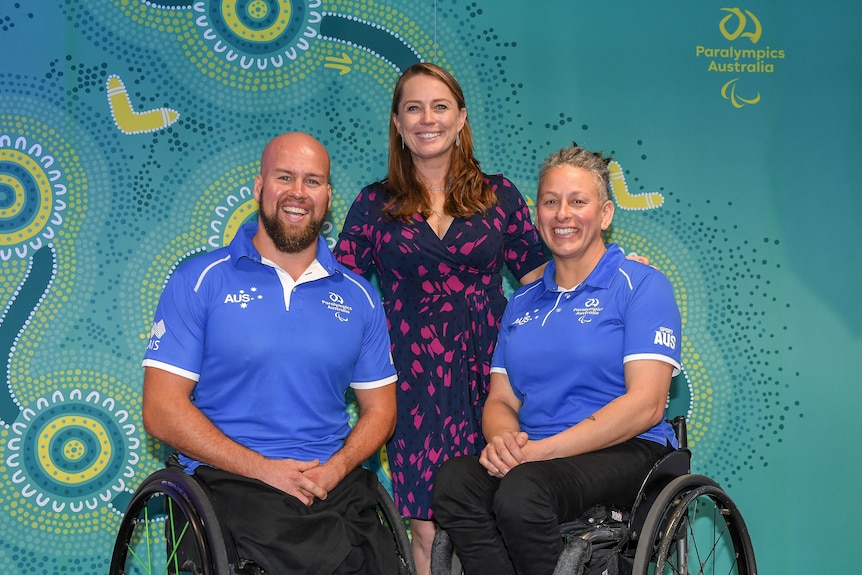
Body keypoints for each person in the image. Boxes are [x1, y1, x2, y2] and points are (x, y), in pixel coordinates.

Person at [141, 132, 400, 574]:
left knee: (373, 557)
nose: (298, 192)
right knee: (312, 553)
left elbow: (381, 411)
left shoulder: (359, 296)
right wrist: (263, 468)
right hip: (231, 479)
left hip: (330, 482)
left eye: (312, 181)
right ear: (260, 187)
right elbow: (161, 410)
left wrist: (335, 469)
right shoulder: (200, 279)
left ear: (328, 197)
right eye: (285, 177)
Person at [333, 62, 548, 573]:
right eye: (413, 107)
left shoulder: (500, 195)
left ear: (461, 118)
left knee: (500, 510)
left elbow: (545, 276)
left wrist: (614, 270)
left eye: (439, 106)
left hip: (495, 375)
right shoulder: (373, 204)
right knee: (427, 526)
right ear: (397, 123)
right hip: (411, 380)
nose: (427, 118)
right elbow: (337, 287)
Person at [431, 142, 683, 575]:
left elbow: (647, 404)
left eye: (577, 201)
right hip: (539, 456)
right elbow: (502, 400)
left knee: (523, 491)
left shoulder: (642, 285)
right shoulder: (523, 301)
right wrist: (506, 442)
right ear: (537, 216)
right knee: (454, 483)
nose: (563, 214)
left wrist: (541, 453)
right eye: (551, 202)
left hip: (628, 449)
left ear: (605, 214)